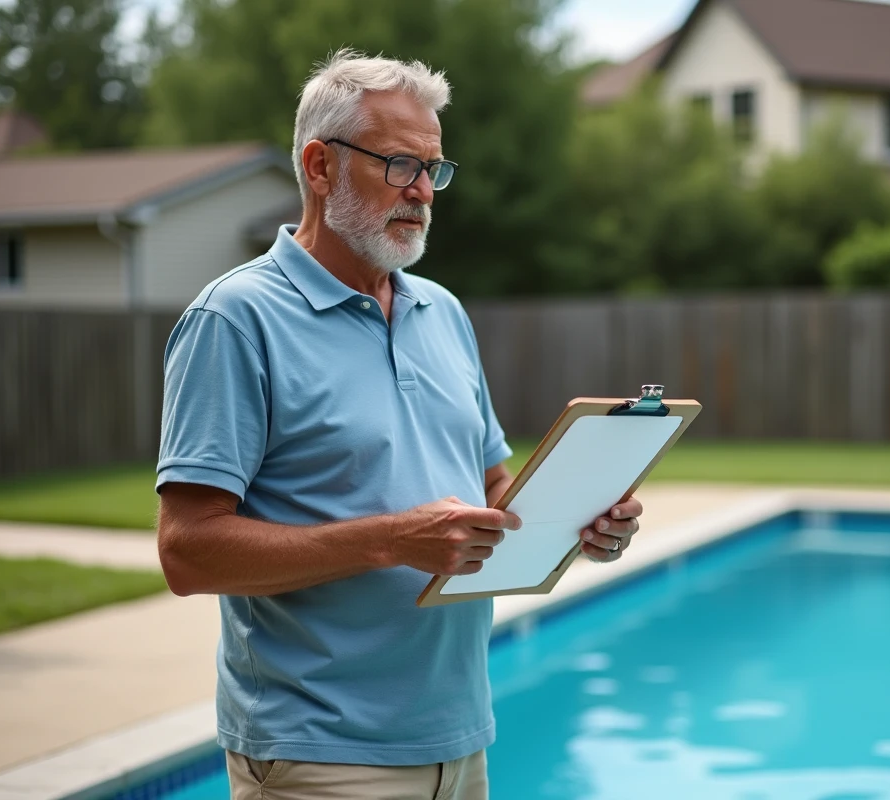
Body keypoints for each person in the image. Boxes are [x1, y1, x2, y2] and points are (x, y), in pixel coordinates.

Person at [154, 50, 645, 800]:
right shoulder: (234, 319)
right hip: (319, 756)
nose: (423, 192)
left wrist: (581, 521)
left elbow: (492, 488)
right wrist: (389, 539)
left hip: (460, 740)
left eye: (434, 170)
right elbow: (187, 553)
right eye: (399, 166)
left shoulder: (440, 311)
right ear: (320, 167)